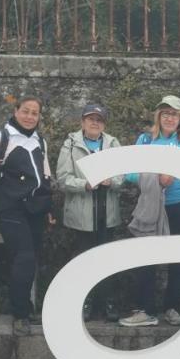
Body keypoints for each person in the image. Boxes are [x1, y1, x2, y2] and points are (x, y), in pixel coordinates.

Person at [0, 96, 54, 336]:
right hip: (10, 208)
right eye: (25, 111)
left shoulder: (40, 140)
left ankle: (26, 309)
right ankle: (19, 314)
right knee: (24, 257)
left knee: (31, 260)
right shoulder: (2, 137)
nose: (30, 116)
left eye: (35, 113)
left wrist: (49, 208)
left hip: (36, 209)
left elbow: (45, 175)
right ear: (15, 111)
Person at [119, 95, 180, 328]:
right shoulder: (145, 140)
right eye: (165, 113)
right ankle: (145, 310)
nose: (169, 118)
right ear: (159, 116)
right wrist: (158, 176)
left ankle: (172, 309)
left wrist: (174, 177)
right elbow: (130, 174)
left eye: (174, 114)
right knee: (146, 257)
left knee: (179, 259)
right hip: (153, 206)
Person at [57, 102, 125, 322]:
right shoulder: (70, 144)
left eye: (99, 119)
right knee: (83, 261)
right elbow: (63, 179)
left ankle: (108, 302)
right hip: (82, 214)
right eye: (90, 119)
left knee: (108, 261)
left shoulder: (113, 143)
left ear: (104, 123)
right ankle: (84, 303)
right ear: (83, 122)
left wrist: (110, 180)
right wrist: (85, 184)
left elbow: (122, 177)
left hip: (108, 212)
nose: (94, 123)